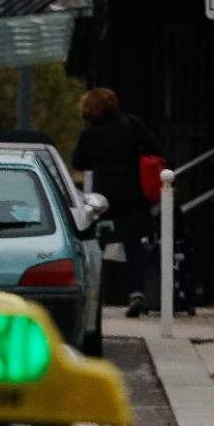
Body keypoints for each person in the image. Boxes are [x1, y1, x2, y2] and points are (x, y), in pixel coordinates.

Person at [71, 87, 162, 318]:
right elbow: (155, 147)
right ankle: (136, 293)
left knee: (97, 243)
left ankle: (95, 293)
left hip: (104, 196)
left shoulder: (91, 134)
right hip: (133, 192)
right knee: (134, 245)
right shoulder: (131, 124)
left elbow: (79, 161)